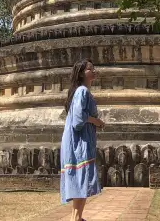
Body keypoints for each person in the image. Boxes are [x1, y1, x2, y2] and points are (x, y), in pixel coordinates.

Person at [60, 59, 105, 221]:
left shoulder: (78, 92)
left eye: (94, 68)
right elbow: (78, 120)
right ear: (81, 73)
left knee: (79, 181)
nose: (94, 71)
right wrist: (96, 121)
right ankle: (76, 218)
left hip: (76, 141)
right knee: (82, 180)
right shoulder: (82, 92)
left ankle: (76, 218)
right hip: (79, 143)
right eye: (90, 69)